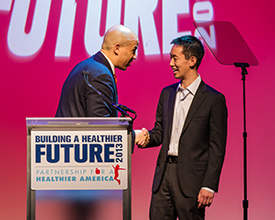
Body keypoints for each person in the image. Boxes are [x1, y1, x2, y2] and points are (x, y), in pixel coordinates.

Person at [138, 35, 228, 220]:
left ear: (192, 61)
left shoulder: (213, 99)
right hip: (163, 178)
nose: (171, 63)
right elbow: (160, 133)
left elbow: (216, 148)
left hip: (191, 182)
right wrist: (145, 137)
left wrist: (209, 185)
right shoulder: (167, 93)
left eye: (175, 58)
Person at [55, 24, 139, 117]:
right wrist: (132, 132)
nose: (134, 57)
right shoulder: (101, 75)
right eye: (133, 50)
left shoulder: (84, 66)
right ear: (117, 48)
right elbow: (100, 126)